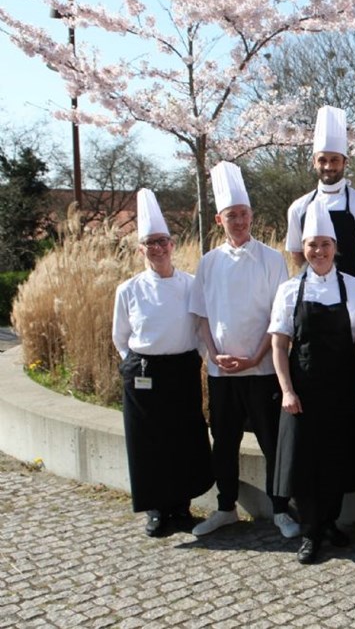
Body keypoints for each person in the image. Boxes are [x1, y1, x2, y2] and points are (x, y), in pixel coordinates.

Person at [189, 161, 299, 539]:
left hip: (263, 370)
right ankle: (225, 508)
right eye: (231, 216)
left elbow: (279, 315)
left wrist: (254, 357)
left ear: (252, 216)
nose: (239, 222)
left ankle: (281, 509)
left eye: (244, 214)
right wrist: (214, 356)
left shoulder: (271, 259)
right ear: (219, 220)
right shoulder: (209, 262)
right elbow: (201, 315)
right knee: (225, 442)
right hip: (222, 373)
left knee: (271, 443)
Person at [269, 201, 355, 564]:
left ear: (337, 248)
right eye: (312, 245)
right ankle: (311, 532)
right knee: (305, 463)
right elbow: (279, 344)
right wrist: (286, 390)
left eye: (326, 244)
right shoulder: (289, 290)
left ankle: (329, 522)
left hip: (343, 389)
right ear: (304, 249)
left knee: (337, 460)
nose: (319, 251)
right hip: (303, 391)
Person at [112, 189, 213, 537]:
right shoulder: (128, 289)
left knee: (184, 436)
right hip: (144, 373)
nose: (158, 248)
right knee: (148, 442)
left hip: (182, 369)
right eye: (150, 243)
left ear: (172, 245)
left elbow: (201, 330)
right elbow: (120, 337)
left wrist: (193, 360)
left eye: (163, 242)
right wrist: (135, 365)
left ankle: (182, 506)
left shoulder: (190, 284)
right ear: (141, 249)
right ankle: (156, 510)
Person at [285, 105, 355, 279]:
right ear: (314, 161)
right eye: (322, 160)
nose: (328, 166)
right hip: (312, 293)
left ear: (345, 162)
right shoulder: (298, 207)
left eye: (335, 160)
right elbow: (295, 251)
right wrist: (314, 279)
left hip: (351, 295)